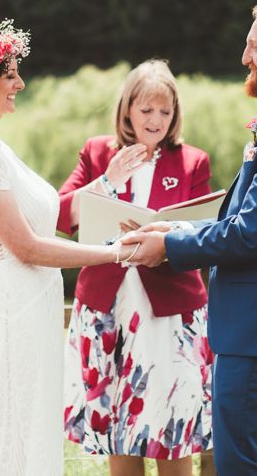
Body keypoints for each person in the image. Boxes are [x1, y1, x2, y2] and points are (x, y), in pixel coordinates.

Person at [0, 21, 151, 476]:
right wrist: (116, 252)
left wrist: (108, 181)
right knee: (19, 433)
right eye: (12, 74)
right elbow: (27, 247)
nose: (21, 83)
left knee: (33, 430)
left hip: (33, 305)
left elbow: (47, 216)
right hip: (15, 307)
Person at [124, 0, 257, 475]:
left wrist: (170, 248)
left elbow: (249, 236)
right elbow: (249, 220)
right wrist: (178, 226)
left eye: (254, 46)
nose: (244, 57)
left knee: (240, 464)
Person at [57, 60, 213, 476]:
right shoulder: (97, 153)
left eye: (165, 112)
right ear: (128, 109)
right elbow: (59, 216)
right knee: (117, 427)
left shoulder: (193, 160)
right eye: (147, 110)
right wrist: (105, 182)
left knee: (172, 424)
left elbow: (205, 230)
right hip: (106, 308)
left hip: (170, 311)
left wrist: (167, 236)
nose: (156, 120)